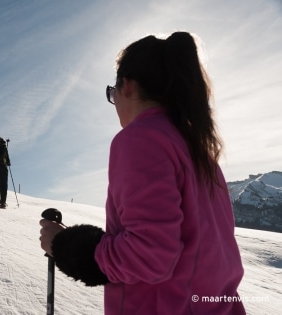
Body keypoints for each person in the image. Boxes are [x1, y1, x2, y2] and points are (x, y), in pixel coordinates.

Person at [39, 32, 246, 314]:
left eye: (112, 94)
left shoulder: (142, 138)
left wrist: (62, 246)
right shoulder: (201, 153)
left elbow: (147, 256)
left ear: (127, 86)